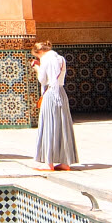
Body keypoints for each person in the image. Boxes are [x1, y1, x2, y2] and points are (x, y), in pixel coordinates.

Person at [33, 41, 78, 170]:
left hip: (51, 94)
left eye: (37, 56)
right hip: (61, 93)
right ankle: (65, 162)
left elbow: (43, 79)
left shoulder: (46, 60)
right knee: (62, 125)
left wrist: (37, 68)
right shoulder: (60, 58)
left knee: (49, 125)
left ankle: (49, 163)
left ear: (40, 52)